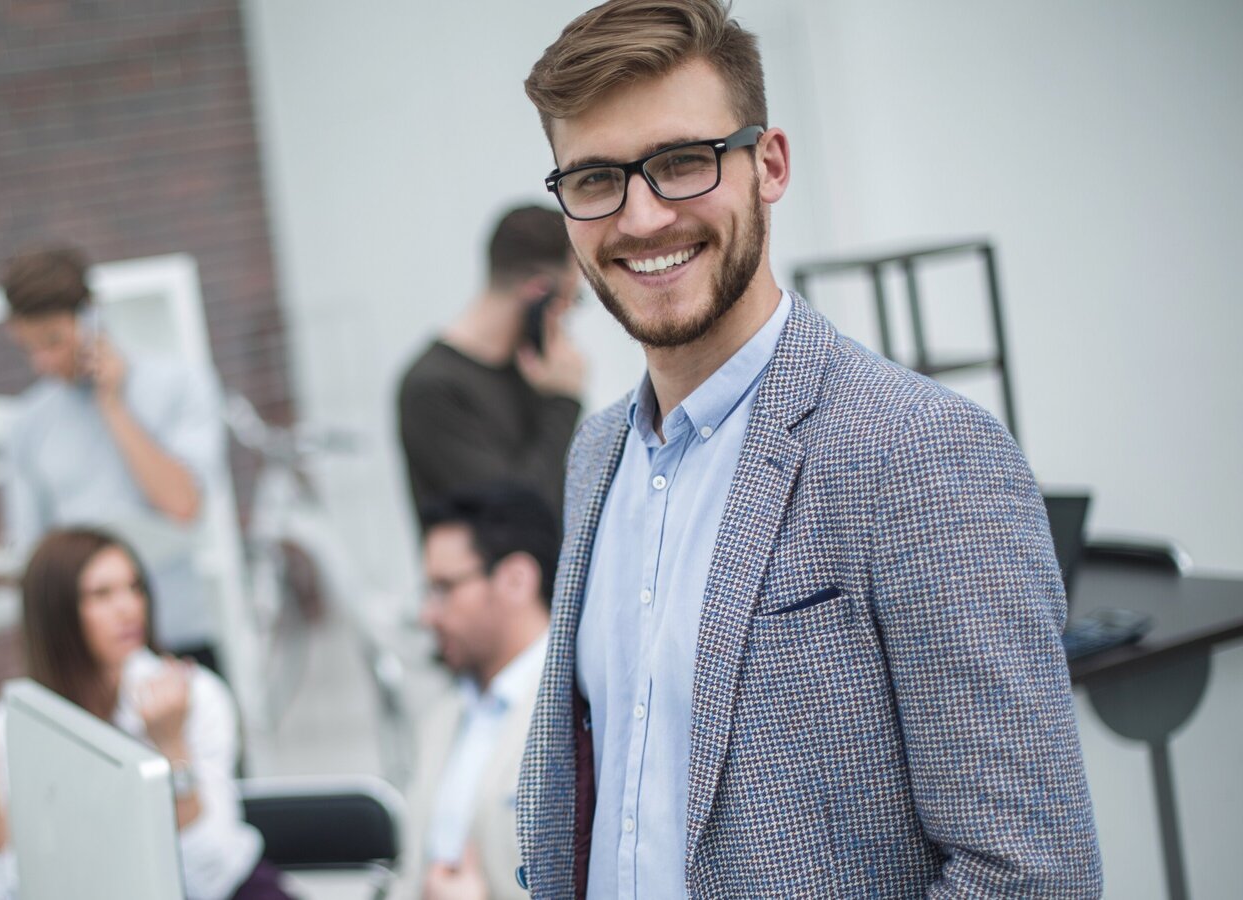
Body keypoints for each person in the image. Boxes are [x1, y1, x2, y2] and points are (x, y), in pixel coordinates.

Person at [512, 2, 1101, 898]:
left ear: (770, 164)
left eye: (682, 161)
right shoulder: (596, 457)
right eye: (596, 179)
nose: (642, 217)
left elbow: (1032, 874)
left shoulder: (919, 454)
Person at [0, 529, 294, 900]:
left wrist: (172, 747)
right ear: (56, 614)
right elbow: (4, 889)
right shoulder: (14, 724)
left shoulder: (194, 694)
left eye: (134, 588)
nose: (128, 608)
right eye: (101, 594)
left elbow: (210, 876)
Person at [0, 244, 226, 667]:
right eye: (29, 347)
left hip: (178, 635)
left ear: (90, 318)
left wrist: (113, 405)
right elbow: (30, 552)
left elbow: (183, 504)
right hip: (86, 657)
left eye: (53, 341)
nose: (43, 362)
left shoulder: (178, 384)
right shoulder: (28, 424)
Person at [396, 484, 558, 900]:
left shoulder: (580, 713)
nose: (427, 615)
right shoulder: (444, 718)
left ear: (516, 580)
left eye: (444, 588)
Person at [397, 206, 587, 524]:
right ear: (539, 292)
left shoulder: (535, 372)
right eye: (572, 298)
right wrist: (564, 402)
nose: (568, 314)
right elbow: (518, 514)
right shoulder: (432, 388)